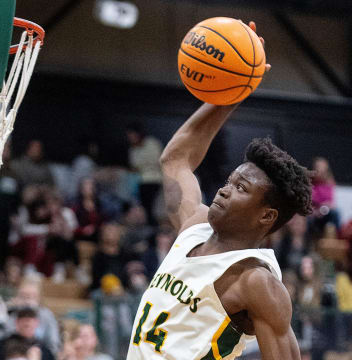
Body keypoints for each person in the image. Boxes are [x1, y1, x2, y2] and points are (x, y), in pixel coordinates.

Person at [126, 22, 313, 360]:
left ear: (266, 215)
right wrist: (235, 89)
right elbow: (176, 159)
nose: (224, 191)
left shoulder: (257, 281)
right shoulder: (194, 224)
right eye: (229, 181)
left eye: (240, 188)